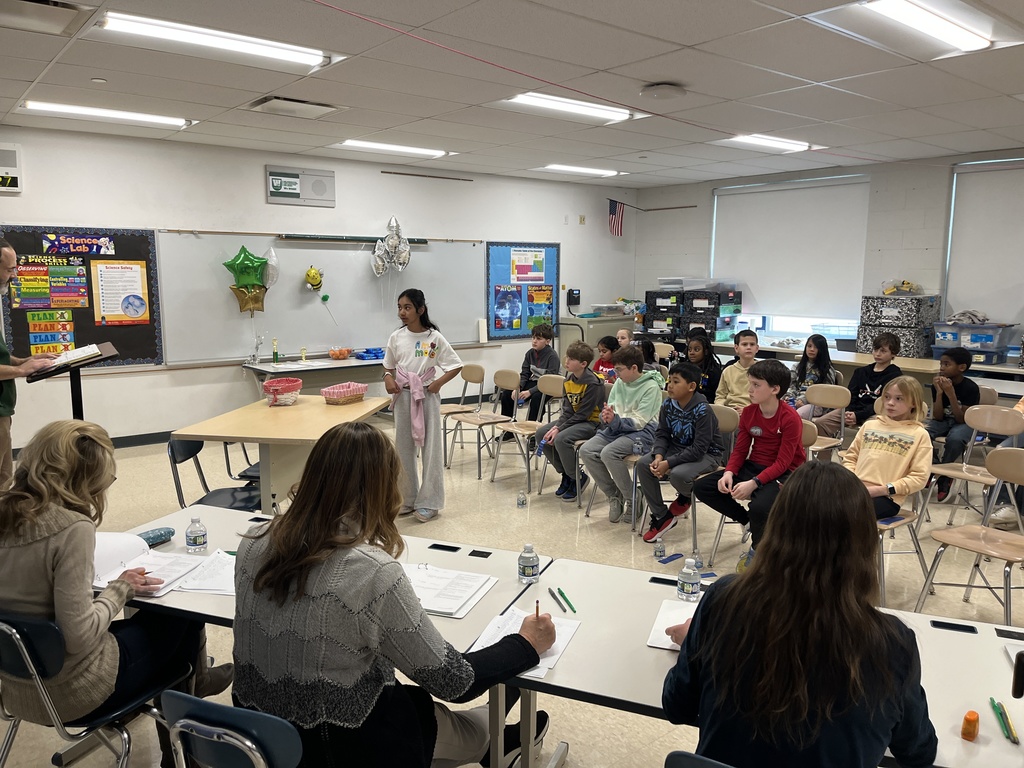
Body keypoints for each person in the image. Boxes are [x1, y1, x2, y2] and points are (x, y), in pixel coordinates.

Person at [233, 422, 555, 768]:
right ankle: (494, 741)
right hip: (337, 746)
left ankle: (489, 717)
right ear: (384, 489)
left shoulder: (255, 539)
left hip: (257, 731)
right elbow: (454, 682)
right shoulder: (372, 573)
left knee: (422, 703)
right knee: (465, 726)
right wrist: (526, 644)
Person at [662, 462, 938, 768]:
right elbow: (918, 752)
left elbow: (678, 706)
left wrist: (695, 645)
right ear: (863, 541)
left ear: (776, 525)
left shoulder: (724, 600)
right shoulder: (892, 643)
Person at [0, 420, 231, 768]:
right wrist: (119, 590)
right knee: (178, 617)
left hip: (18, 689)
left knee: (156, 626)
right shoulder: (69, 529)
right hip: (76, 695)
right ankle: (186, 733)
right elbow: (78, 637)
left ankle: (194, 685)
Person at [693, 359, 805, 571]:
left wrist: (753, 483)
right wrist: (729, 472)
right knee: (704, 487)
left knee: (761, 507)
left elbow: (784, 462)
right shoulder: (749, 413)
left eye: (756, 385)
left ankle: (758, 554)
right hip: (755, 465)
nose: (749, 389)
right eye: (750, 383)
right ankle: (747, 523)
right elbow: (741, 450)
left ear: (775, 389)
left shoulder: (790, 418)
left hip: (786, 472)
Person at [383, 289, 463, 523]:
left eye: (407, 307)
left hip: (426, 396)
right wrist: (387, 378)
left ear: (420, 310)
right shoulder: (396, 337)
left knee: (431, 449)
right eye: (399, 307)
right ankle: (406, 499)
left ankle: (430, 502)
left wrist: (438, 383)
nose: (402, 312)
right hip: (403, 396)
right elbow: (388, 366)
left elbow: (455, 365)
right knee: (403, 448)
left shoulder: (434, 338)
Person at [640, 362, 723, 543]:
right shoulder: (668, 405)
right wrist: (659, 456)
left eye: (676, 381)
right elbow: (662, 434)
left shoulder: (703, 410)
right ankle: (662, 516)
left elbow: (699, 448)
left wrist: (668, 463)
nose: (669, 385)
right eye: (669, 380)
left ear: (692, 386)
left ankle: (687, 495)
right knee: (643, 464)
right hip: (677, 448)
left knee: (678, 475)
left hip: (707, 454)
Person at [579, 345, 664, 523]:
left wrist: (614, 420)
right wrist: (606, 416)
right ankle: (614, 495)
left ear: (634, 368)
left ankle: (632, 498)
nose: (616, 373)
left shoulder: (651, 387)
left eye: (619, 369)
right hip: (617, 428)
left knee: (609, 453)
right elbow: (612, 407)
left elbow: (640, 421)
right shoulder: (620, 382)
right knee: (586, 450)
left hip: (642, 433)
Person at [0, 238, 57, 489]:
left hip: (3, 408)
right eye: (10, 269)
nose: (14, 275)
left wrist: (22, 360)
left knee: (4, 478)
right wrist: (21, 370)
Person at [843, 376, 932, 519]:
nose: (890, 403)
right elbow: (851, 458)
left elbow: (919, 478)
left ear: (914, 403)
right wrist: (853, 482)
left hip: (887, 497)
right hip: (855, 488)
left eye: (899, 399)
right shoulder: (869, 425)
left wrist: (881, 490)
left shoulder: (919, 434)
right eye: (887, 397)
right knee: (816, 506)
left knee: (847, 514)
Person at [535, 341, 604, 503]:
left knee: (561, 439)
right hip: (574, 421)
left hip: (592, 423)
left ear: (583, 364)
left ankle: (577, 477)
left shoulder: (593, 382)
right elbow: (567, 410)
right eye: (567, 357)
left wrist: (559, 429)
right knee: (541, 434)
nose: (566, 361)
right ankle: (566, 474)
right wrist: (558, 426)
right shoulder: (568, 379)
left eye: (571, 359)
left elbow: (583, 414)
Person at [926, 346, 981, 501]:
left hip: (966, 422)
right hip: (944, 421)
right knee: (922, 433)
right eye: (941, 364)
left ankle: (945, 476)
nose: (942, 368)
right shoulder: (938, 385)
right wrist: (939, 393)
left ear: (961, 367)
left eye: (947, 364)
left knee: (955, 438)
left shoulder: (971, 388)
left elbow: (961, 419)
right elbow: (937, 417)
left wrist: (951, 395)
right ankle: (934, 467)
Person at [499, 322, 560, 425]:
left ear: (547, 341)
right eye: (533, 338)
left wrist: (530, 392)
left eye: (539, 339)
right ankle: (509, 427)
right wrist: (518, 387)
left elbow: (548, 380)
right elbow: (525, 374)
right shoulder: (530, 353)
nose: (534, 341)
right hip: (536, 382)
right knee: (506, 394)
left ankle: (532, 431)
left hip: (550, 386)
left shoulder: (552, 356)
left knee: (537, 398)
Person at [845, 332, 903, 429]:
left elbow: (883, 403)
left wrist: (858, 416)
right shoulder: (860, 372)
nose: (878, 354)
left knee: (873, 425)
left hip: (877, 414)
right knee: (824, 422)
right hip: (853, 412)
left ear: (893, 353)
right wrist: (849, 412)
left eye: (883, 351)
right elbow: (851, 396)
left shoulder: (895, 376)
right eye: (875, 350)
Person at [715, 330, 758, 412]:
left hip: (753, 412)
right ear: (736, 348)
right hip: (729, 411)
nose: (748, 347)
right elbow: (720, 396)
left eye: (752, 344)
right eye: (744, 344)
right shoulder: (728, 371)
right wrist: (722, 409)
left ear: (757, 348)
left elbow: (766, 399)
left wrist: (748, 410)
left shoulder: (763, 371)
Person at [686, 332, 723, 403]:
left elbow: (716, 395)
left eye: (696, 350)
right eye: (689, 350)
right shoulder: (685, 368)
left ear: (706, 351)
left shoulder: (714, 371)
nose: (691, 353)